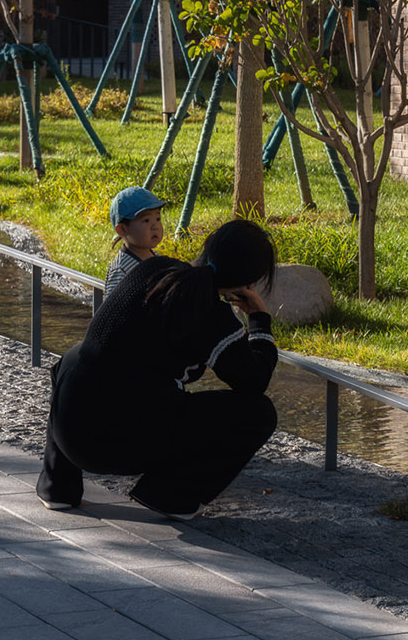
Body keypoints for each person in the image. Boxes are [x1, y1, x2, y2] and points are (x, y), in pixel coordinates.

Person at [36, 218, 280, 520]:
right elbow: (254, 382)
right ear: (248, 281)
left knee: (83, 359)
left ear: (208, 248)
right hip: (112, 442)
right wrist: (258, 319)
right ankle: (171, 496)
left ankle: (57, 487)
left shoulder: (154, 268)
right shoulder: (210, 313)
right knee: (259, 413)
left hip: (67, 424)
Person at [104, 186, 166, 296]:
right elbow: (112, 310)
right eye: (146, 220)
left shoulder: (154, 256)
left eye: (157, 219)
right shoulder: (121, 270)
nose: (155, 226)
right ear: (122, 229)